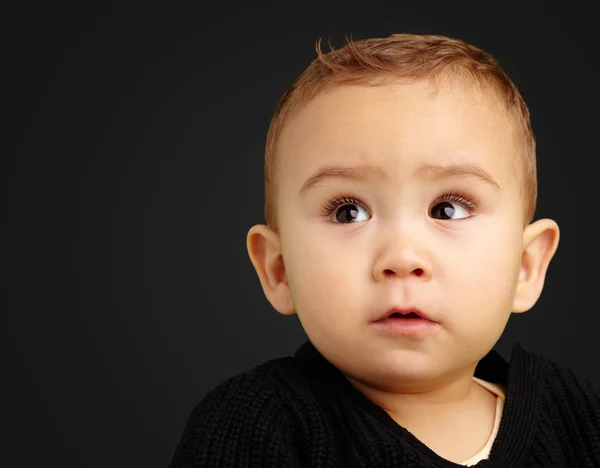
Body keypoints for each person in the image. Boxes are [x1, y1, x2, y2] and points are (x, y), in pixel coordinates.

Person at [167, 33, 600, 467]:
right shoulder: (256, 427)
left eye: (447, 209)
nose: (402, 259)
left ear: (526, 266)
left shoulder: (577, 418)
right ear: (279, 270)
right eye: (347, 213)